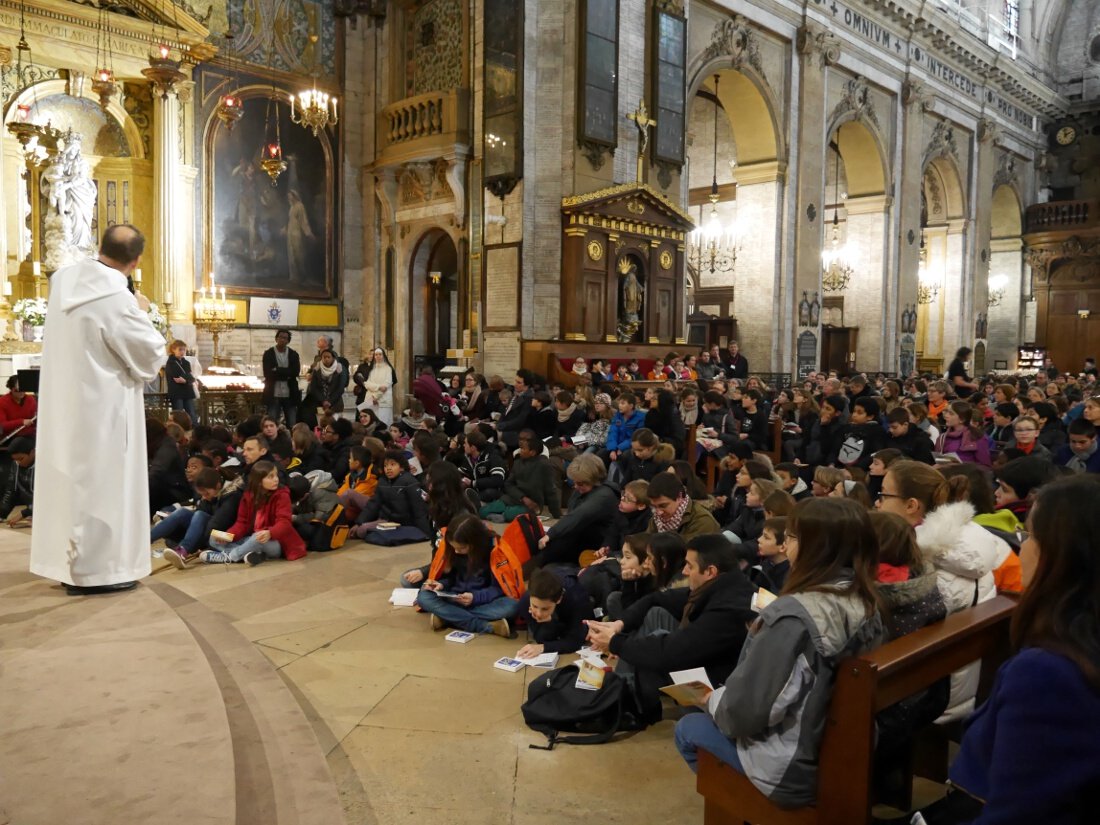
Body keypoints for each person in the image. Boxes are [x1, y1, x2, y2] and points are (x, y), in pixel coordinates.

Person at [672, 498, 886, 810]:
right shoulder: (866, 598)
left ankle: (748, 809)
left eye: (790, 537)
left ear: (813, 546)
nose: (785, 545)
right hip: (848, 752)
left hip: (794, 769)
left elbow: (744, 715)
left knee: (688, 727)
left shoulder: (793, 617)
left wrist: (710, 700)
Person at [586, 534, 757, 725]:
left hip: (722, 694)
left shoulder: (728, 608)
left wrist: (614, 643)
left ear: (710, 571)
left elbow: (672, 652)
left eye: (690, 566)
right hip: (714, 671)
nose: (684, 571)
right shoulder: (722, 586)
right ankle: (622, 695)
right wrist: (619, 625)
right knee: (654, 632)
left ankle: (622, 700)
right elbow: (655, 599)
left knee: (655, 646)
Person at [418, 512, 522, 637]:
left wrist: (475, 597)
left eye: (461, 548)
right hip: (454, 597)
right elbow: (450, 577)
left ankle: (447, 617)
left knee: (512, 606)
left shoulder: (494, 551)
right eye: (453, 547)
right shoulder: (452, 549)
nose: (456, 551)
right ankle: (486, 626)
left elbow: (499, 588)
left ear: (474, 542)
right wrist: (441, 585)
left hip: (483, 601)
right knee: (424, 595)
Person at [201, 461, 306, 565]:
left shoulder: (282, 495)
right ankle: (250, 554)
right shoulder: (248, 496)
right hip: (252, 539)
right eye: (271, 477)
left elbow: (284, 523)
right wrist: (229, 536)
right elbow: (242, 523)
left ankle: (229, 557)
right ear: (259, 481)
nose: (276, 479)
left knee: (256, 538)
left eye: (276, 475)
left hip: (276, 542)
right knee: (214, 537)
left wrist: (270, 533)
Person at [515, 568, 594, 657]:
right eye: (535, 606)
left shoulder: (577, 599)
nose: (539, 613)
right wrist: (550, 622)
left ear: (559, 599)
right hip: (554, 571)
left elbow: (574, 641)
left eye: (545, 609)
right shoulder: (525, 602)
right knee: (546, 635)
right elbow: (540, 637)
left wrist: (543, 648)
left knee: (581, 630)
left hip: (579, 600)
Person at [262, 329, 301, 427]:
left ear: (288, 341)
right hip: (273, 392)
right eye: (280, 337)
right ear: (276, 339)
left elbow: (295, 372)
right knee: (272, 421)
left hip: (290, 393)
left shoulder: (293, 354)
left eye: (285, 338)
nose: (282, 340)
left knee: (292, 422)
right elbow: (267, 373)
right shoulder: (268, 354)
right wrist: (287, 373)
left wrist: (277, 370)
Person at [354, 347, 397, 425]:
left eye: (380, 354)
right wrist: (378, 387)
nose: (378, 356)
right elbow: (367, 384)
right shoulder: (372, 369)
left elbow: (386, 386)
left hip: (383, 401)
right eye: (376, 355)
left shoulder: (388, 369)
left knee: (383, 424)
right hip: (371, 400)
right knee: (371, 425)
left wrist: (376, 397)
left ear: (383, 355)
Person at [0, 436, 35, 526]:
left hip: (44, 513)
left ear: (32, 452)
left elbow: (48, 497)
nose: (18, 462)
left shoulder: (44, 465)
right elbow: (11, 490)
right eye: (15, 460)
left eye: (21, 459)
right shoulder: (16, 464)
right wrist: (2, 513)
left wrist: (24, 513)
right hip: (31, 512)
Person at [164, 339, 199, 424]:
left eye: (184, 349)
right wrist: (187, 378)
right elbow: (176, 378)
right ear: (173, 349)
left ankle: (193, 434)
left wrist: (185, 380)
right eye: (180, 349)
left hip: (187, 391)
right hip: (177, 393)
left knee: (192, 415)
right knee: (178, 417)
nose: (182, 352)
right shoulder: (170, 363)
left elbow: (191, 378)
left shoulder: (186, 363)